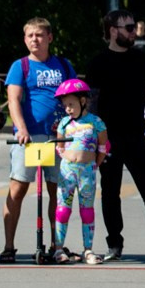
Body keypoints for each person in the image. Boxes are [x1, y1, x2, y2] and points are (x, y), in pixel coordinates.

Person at [86, 9, 145, 261]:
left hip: (135, 134)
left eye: (133, 27)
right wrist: (95, 137)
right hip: (108, 137)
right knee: (110, 191)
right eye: (128, 28)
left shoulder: (141, 59)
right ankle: (114, 244)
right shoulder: (97, 63)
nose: (134, 32)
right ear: (113, 31)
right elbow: (93, 103)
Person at [1, 18, 73, 264]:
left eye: (40, 35)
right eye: (30, 35)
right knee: (18, 188)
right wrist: (21, 129)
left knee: (58, 191)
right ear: (25, 39)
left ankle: (57, 245)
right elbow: (13, 100)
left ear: (49, 38)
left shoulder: (63, 65)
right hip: (30, 138)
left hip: (59, 136)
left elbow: (76, 96)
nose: (35, 39)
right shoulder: (19, 66)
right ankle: (9, 246)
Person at [50, 79, 106, 264]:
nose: (68, 109)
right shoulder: (64, 123)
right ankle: (59, 249)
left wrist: (94, 164)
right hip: (68, 171)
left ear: (83, 101)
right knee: (63, 210)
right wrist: (66, 155)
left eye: (71, 104)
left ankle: (88, 250)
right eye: (65, 105)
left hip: (87, 171)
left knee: (87, 210)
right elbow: (60, 145)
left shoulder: (96, 122)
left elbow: (103, 147)